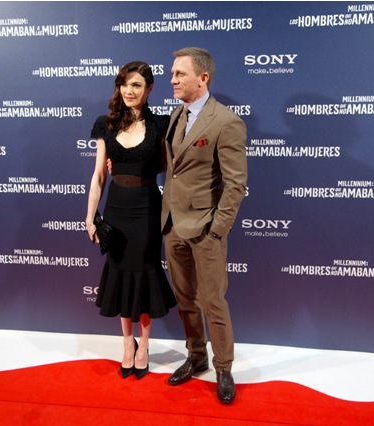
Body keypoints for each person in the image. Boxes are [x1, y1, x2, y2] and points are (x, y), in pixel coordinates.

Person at [161, 47, 248, 405]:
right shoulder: (175, 115)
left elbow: (235, 183)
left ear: (203, 78)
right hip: (172, 226)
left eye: (179, 74)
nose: (172, 79)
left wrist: (218, 229)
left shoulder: (226, 121)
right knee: (185, 299)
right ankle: (196, 356)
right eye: (172, 73)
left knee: (213, 302)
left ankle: (223, 368)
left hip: (205, 230)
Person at [86, 61, 177, 380]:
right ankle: (127, 341)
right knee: (121, 273)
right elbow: (99, 176)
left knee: (144, 273)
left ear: (149, 89)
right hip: (116, 210)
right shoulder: (106, 124)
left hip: (147, 209)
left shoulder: (161, 124)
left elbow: (167, 167)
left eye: (136, 85)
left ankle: (145, 344)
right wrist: (90, 217)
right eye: (124, 84)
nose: (129, 90)